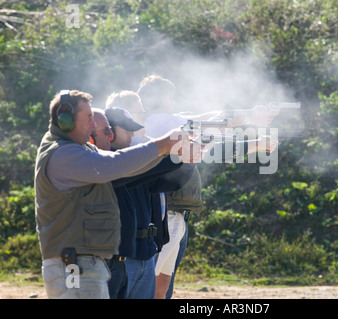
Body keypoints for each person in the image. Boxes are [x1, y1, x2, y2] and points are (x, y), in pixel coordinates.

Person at [34, 89, 196, 299]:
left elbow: (130, 170)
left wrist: (175, 155)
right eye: (88, 118)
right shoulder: (63, 153)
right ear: (65, 121)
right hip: (74, 263)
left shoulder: (81, 151)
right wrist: (162, 145)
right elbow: (115, 164)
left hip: (88, 260)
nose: (92, 126)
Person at [137, 75, 279, 299]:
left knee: (162, 287)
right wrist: (251, 116)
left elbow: (210, 134)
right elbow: (212, 124)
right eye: (170, 97)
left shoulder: (171, 121)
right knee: (151, 288)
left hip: (177, 213)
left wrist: (254, 132)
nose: (173, 101)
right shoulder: (159, 123)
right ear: (163, 98)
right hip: (165, 214)